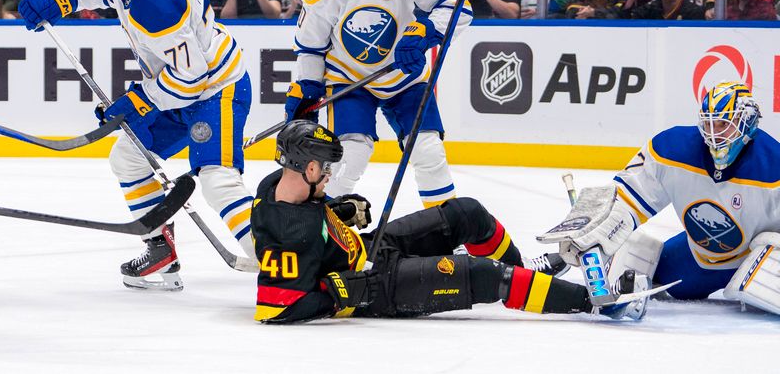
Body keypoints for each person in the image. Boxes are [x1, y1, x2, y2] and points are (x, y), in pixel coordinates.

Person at [17, 0, 257, 291]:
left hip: (216, 89)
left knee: (216, 179)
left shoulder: (158, 6)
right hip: (177, 85)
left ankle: (278, 259)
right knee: (127, 158)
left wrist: (139, 101)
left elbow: (191, 80)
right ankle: (160, 247)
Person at [252, 120, 647, 323]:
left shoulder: (278, 184)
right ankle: (592, 303)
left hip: (369, 251)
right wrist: (344, 293)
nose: (329, 177)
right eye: (326, 171)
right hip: (375, 287)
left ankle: (527, 273)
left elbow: (313, 222)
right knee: (488, 275)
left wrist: (335, 210)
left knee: (466, 212)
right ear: (307, 167)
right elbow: (277, 308)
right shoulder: (289, 232)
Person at [285, 0, 473, 207]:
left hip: (405, 76)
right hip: (349, 81)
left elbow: (459, 5)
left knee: (427, 150)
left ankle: (447, 228)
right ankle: (322, 229)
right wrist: (307, 87)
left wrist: (425, 31)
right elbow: (310, 46)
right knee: (350, 156)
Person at [546, 82, 780, 315]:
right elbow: (624, 199)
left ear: (748, 122)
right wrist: (592, 230)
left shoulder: (774, 165)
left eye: (722, 125)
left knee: (763, 290)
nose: (713, 134)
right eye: (708, 124)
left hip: (759, 259)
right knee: (664, 276)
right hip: (699, 257)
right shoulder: (672, 150)